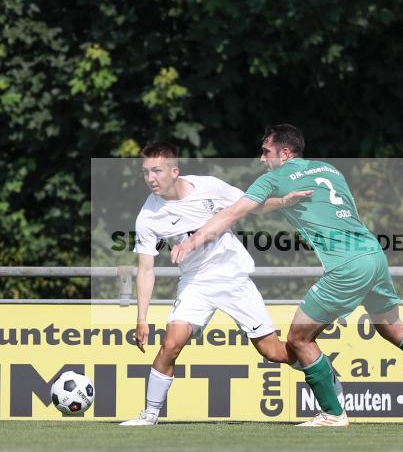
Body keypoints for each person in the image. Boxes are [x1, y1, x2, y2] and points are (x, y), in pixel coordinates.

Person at [172, 125, 403, 427]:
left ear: (284, 152)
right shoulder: (329, 170)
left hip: (346, 266)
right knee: (392, 327)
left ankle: (332, 413)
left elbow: (232, 214)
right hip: (373, 255)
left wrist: (192, 240)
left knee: (298, 338)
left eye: (266, 151)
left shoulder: (275, 177)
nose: (262, 158)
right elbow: (266, 209)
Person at [120, 141, 339, 425]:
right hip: (195, 283)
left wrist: (284, 201)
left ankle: (323, 373)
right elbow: (146, 269)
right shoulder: (148, 217)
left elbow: (252, 205)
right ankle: (149, 415)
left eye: (157, 171)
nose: (151, 178)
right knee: (171, 344)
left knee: (273, 352)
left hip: (234, 278)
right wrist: (141, 318)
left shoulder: (209, 186)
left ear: (175, 171)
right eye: (146, 172)